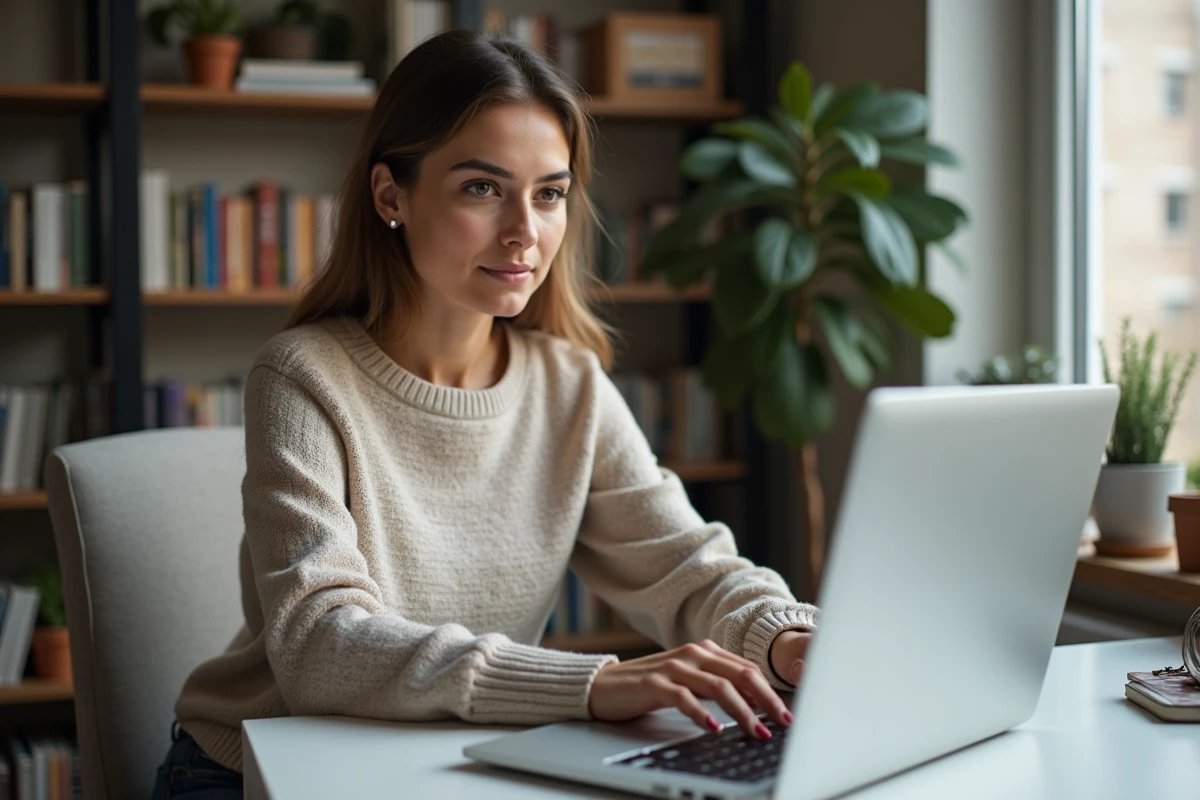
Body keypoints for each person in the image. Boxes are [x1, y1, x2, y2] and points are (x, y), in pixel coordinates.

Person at [151, 29, 818, 800]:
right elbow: (320, 647)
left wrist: (787, 637)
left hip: (455, 764)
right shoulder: (304, 376)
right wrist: (595, 684)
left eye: (550, 193)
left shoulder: (569, 384)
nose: (524, 233)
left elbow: (685, 567)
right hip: (253, 772)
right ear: (389, 195)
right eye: (481, 188)